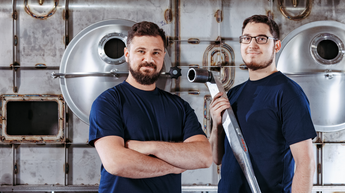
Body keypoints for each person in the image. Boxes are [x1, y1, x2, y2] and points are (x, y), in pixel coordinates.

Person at [88, 21, 212, 193]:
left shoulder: (179, 107)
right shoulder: (108, 102)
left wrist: (149, 147)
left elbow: (204, 156)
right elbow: (116, 162)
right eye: (141, 51)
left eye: (156, 52)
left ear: (163, 56)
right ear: (127, 54)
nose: (149, 59)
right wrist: (175, 166)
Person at [209, 15, 317, 193]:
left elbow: (305, 163)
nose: (252, 45)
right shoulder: (234, 94)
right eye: (246, 38)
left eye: (261, 38)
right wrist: (217, 126)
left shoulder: (288, 93)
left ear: (276, 45)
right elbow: (217, 158)